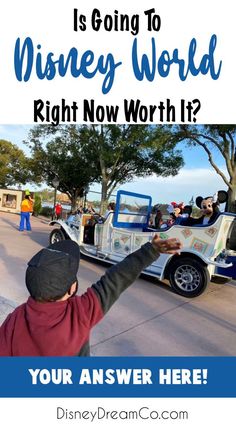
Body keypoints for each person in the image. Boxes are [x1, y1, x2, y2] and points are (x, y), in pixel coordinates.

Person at [0, 235, 182, 356]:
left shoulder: (15, 318)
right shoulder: (79, 313)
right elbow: (116, 279)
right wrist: (151, 250)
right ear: (72, 288)